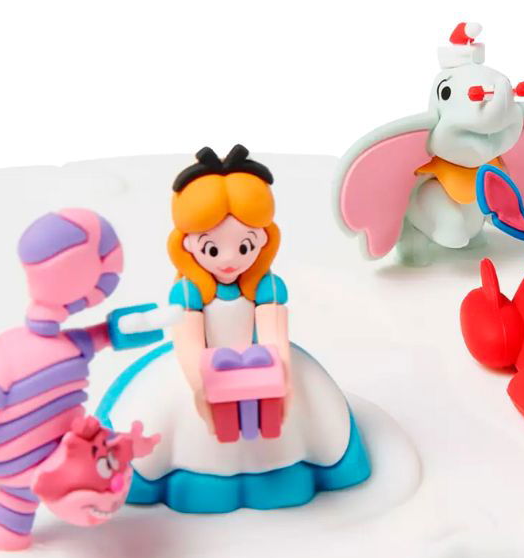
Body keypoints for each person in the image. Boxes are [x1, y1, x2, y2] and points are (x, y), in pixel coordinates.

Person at [98, 145, 370, 513]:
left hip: (262, 367)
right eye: (212, 249)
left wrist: (281, 380)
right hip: (201, 371)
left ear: (263, 238)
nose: (229, 260)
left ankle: (289, 466)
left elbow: (274, 337)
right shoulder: (188, 293)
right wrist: (202, 387)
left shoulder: (267, 287)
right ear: (187, 244)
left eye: (244, 246)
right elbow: (189, 344)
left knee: (317, 423)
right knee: (162, 430)